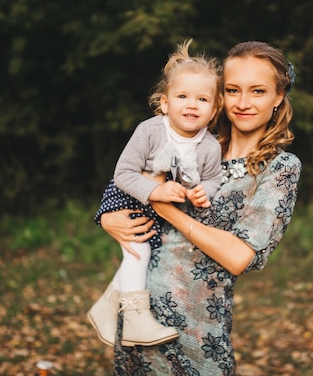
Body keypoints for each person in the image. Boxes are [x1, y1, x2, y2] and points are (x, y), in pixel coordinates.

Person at [97, 40, 301, 375]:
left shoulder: (279, 168)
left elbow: (239, 257)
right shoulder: (197, 143)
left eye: (258, 91)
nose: (244, 102)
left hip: (196, 331)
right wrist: (106, 217)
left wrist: (167, 210)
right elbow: (131, 179)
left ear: (278, 96)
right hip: (137, 316)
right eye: (233, 90)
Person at [87, 39, 224, 348]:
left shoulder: (209, 146)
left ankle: (105, 309)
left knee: (141, 252)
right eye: (182, 96)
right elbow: (123, 174)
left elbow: (214, 179)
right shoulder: (149, 131)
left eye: (202, 99)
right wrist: (157, 190)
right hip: (129, 195)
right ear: (165, 103)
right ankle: (136, 320)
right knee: (140, 251)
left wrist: (205, 191)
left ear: (214, 109)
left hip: (160, 207)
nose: (191, 104)